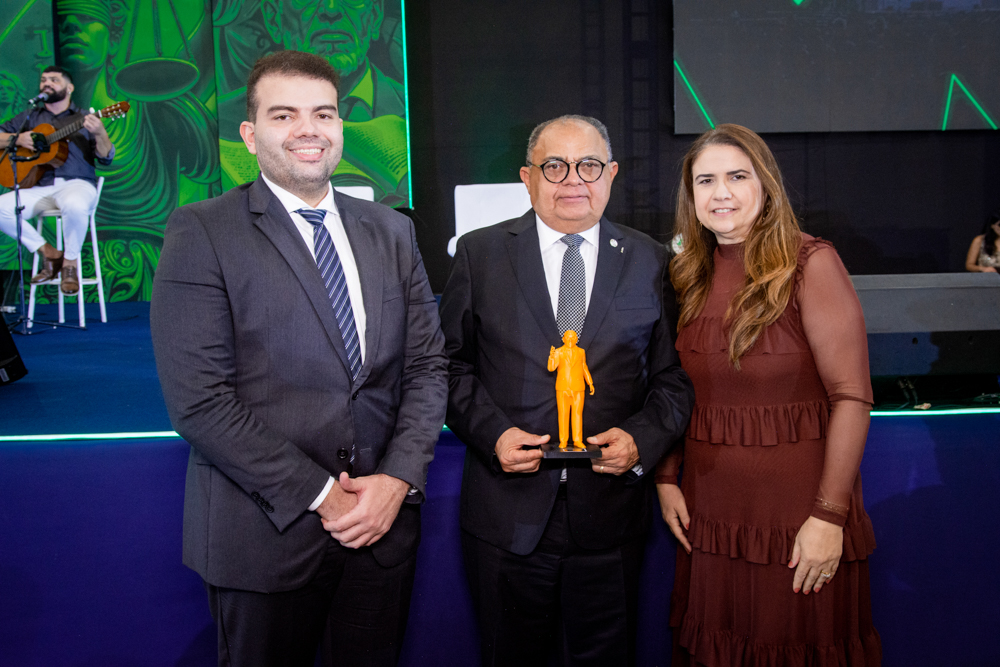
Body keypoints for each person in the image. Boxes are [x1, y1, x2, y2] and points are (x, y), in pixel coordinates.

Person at [150, 50, 447, 667]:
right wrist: (324, 496)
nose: (308, 129)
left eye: (324, 114)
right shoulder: (201, 230)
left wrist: (395, 481)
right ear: (251, 135)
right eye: (284, 115)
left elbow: (425, 367)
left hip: (381, 529)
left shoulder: (391, 230)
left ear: (341, 126)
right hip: (263, 536)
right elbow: (200, 400)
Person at [439, 114, 694, 666]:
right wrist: (493, 434)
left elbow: (674, 379)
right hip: (505, 518)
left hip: (610, 516)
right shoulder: (479, 255)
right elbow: (447, 367)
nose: (572, 180)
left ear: (611, 175)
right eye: (555, 166)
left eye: (589, 166)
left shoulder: (652, 262)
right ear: (528, 178)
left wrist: (640, 441)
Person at [656, 123, 881, 666]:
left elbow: (852, 396)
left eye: (737, 176)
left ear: (766, 185)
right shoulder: (687, 273)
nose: (722, 193)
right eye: (705, 180)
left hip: (799, 520)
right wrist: (666, 477)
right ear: (691, 196)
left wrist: (829, 517)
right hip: (711, 520)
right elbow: (674, 388)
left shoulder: (810, 263)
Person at [0, 65, 114, 294]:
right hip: (40, 187)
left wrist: (101, 133)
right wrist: (19, 138)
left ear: (69, 88)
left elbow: (106, 157)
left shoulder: (84, 118)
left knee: (74, 204)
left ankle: (70, 265)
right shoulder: (30, 117)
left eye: (54, 80)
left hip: (77, 184)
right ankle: (49, 253)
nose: (46, 84)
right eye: (43, 80)